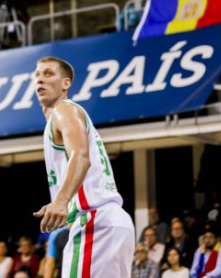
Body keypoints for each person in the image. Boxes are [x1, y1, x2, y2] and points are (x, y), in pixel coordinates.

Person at [32, 56, 135, 277]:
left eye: (48, 74)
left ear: (66, 83)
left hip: (96, 221)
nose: (40, 79)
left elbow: (81, 156)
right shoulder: (60, 119)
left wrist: (61, 202)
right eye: (37, 75)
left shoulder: (65, 110)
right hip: (110, 222)